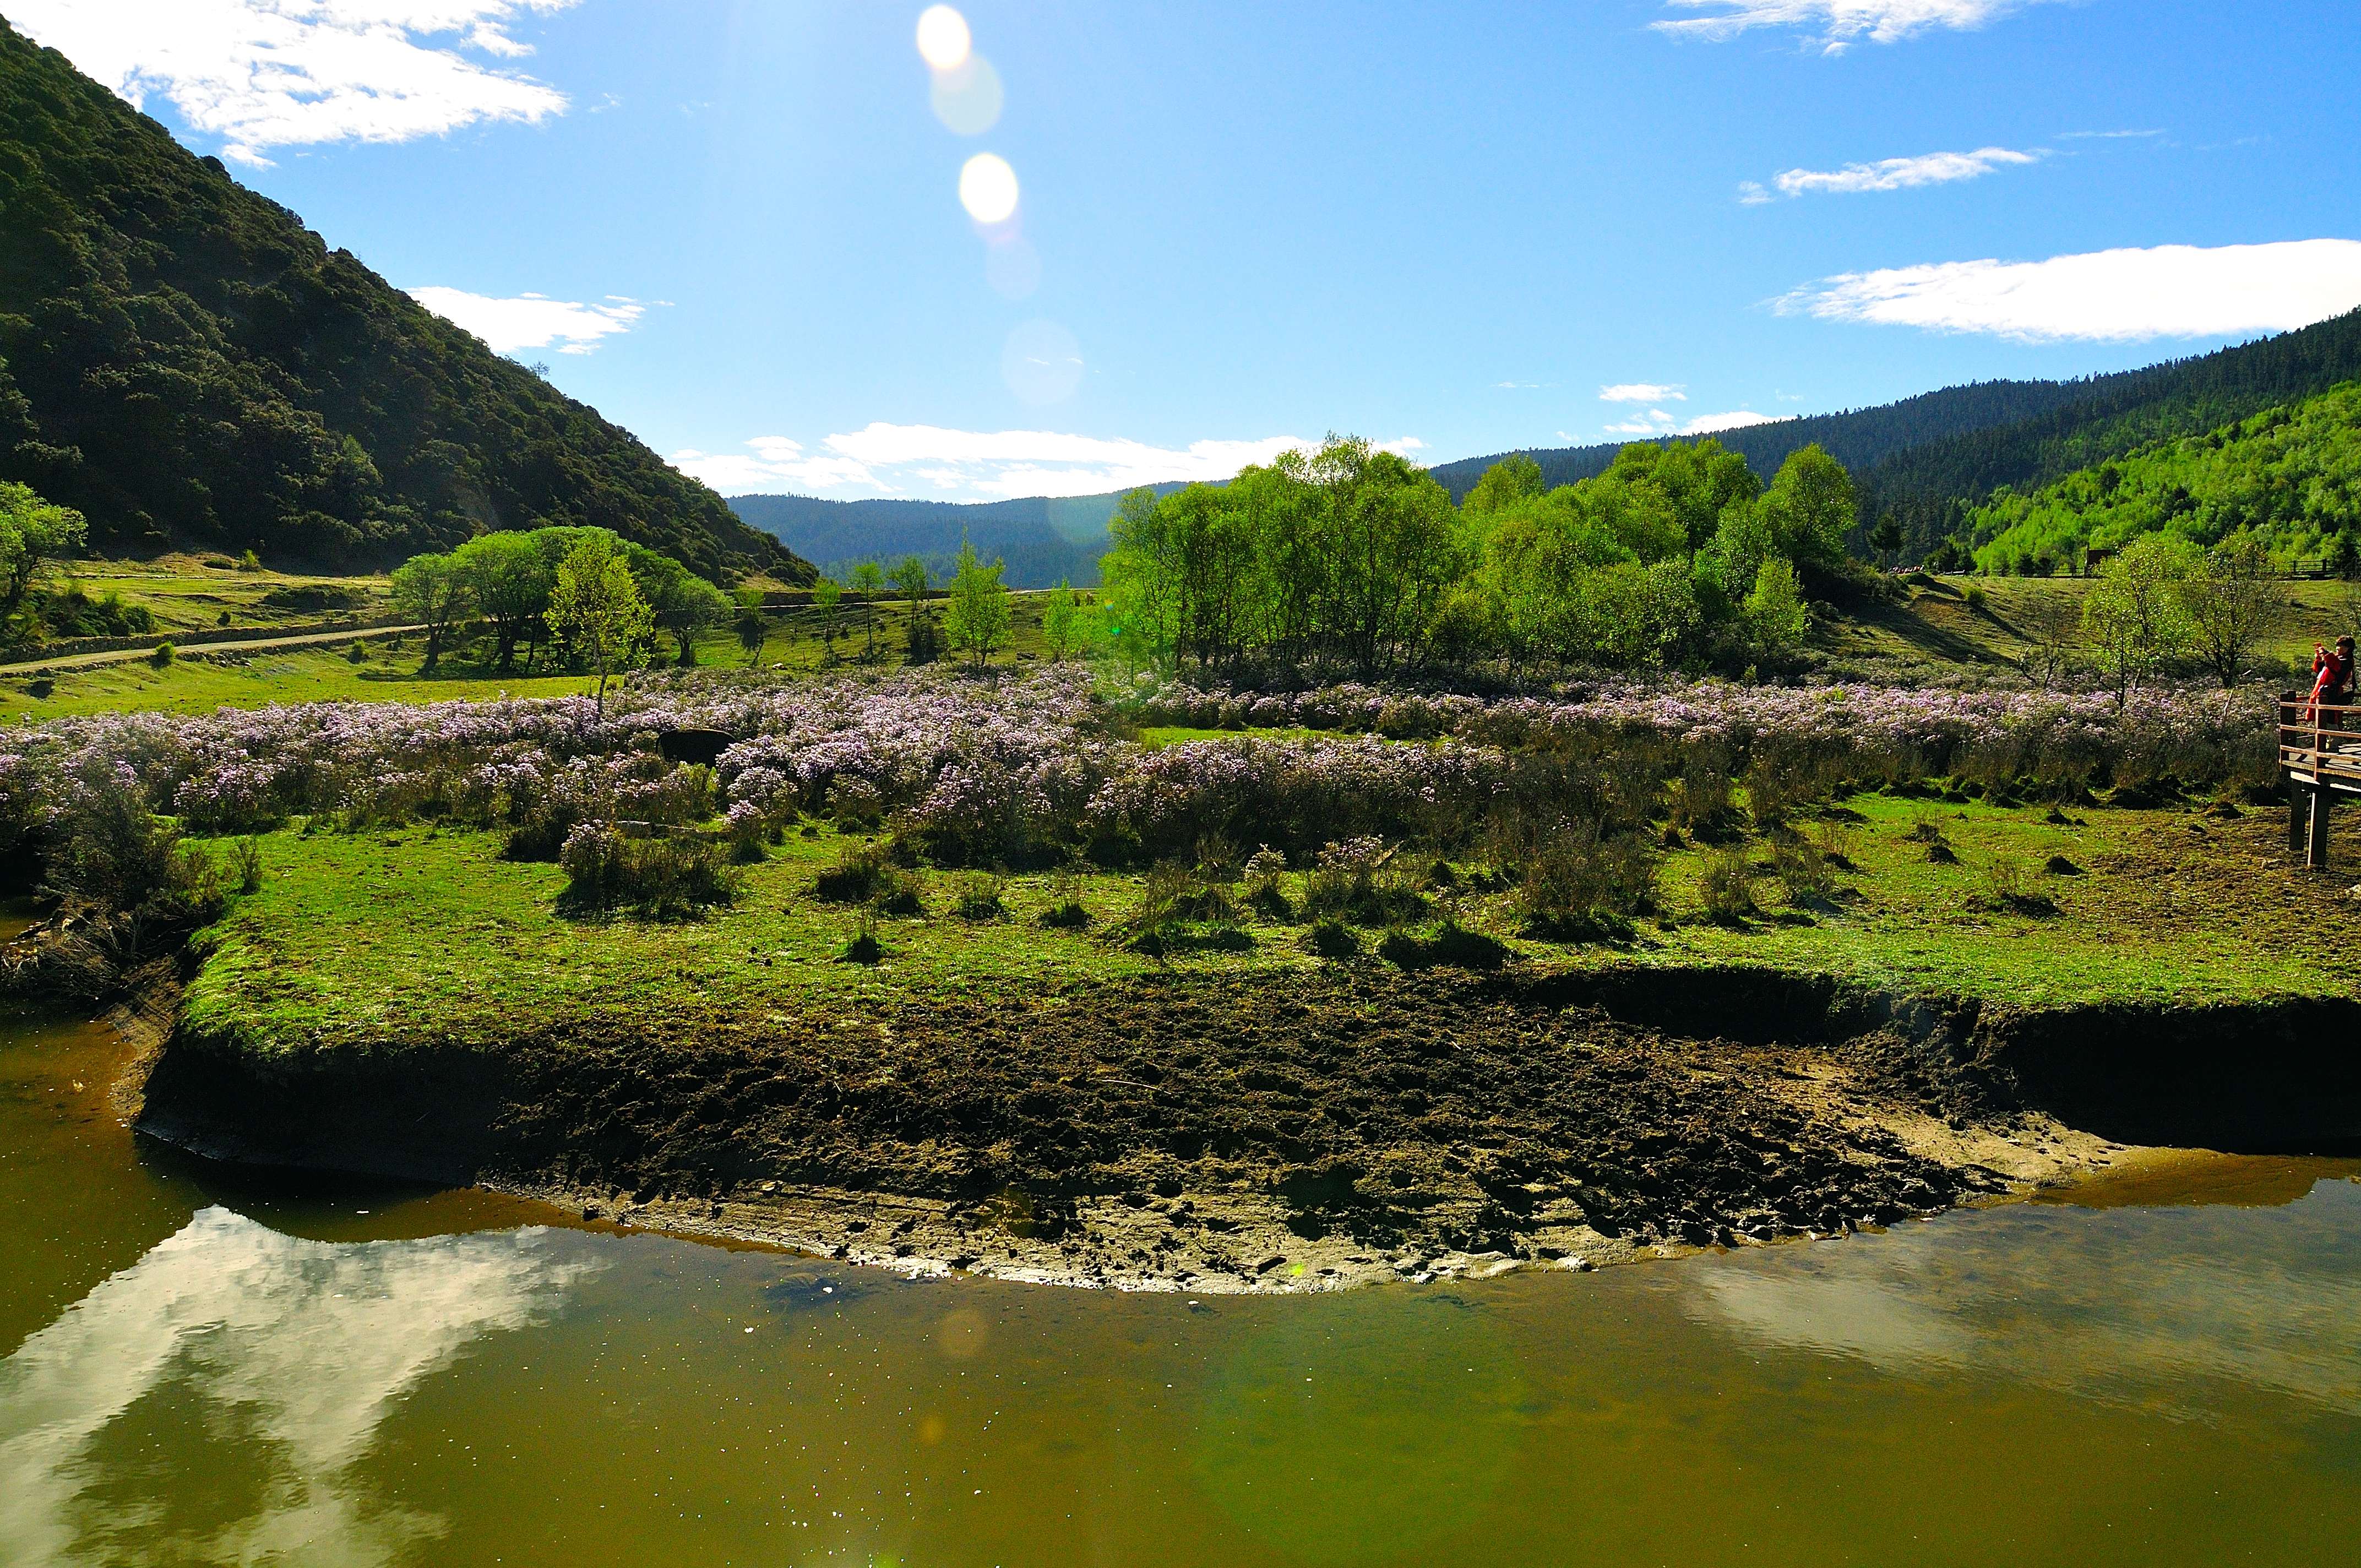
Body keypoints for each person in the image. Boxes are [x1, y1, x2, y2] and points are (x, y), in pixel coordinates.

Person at [2305, 634, 2355, 724]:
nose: (2338, 648)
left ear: (2348, 648)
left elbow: (2336, 667)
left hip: (2333, 693)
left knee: (2330, 718)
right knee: (2321, 717)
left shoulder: (2347, 661)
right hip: (2324, 692)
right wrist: (2319, 658)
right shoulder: (2336, 659)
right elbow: (2320, 669)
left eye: (2341, 646)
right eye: (2338, 646)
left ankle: (2333, 733)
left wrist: (2326, 654)